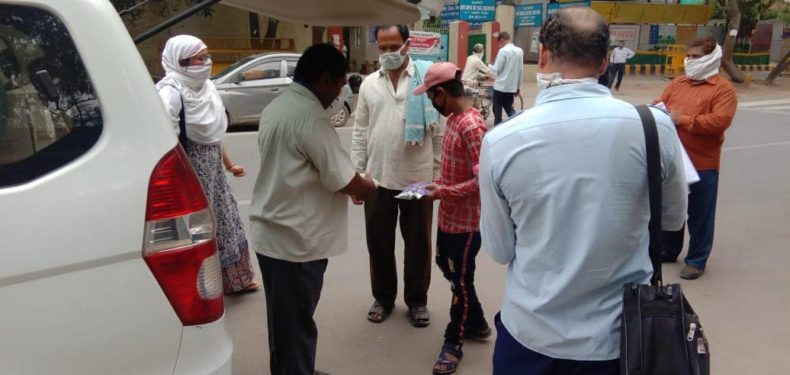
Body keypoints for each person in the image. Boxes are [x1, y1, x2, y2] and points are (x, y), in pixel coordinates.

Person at [478, 8, 688, 374]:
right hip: (622, 340)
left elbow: (499, 249)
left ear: (542, 53)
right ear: (605, 60)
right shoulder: (655, 127)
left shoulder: (501, 141)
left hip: (531, 337)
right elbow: (672, 219)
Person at [249, 43, 377, 375]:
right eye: (338, 85)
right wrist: (369, 186)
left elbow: (302, 170)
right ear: (324, 78)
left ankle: (293, 368)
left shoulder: (277, 107)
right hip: (296, 243)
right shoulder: (311, 119)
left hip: (273, 235)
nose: (338, 94)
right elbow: (347, 179)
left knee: (284, 324)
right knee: (296, 327)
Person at [352, 24, 443, 328]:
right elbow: (360, 131)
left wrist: (439, 174)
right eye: (383, 47)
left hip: (418, 179)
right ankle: (383, 298)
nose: (389, 53)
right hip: (377, 179)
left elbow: (439, 131)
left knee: (417, 243)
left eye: (394, 46)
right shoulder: (369, 85)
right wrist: (358, 175)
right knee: (378, 243)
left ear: (407, 44)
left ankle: (417, 301)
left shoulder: (426, 79)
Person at [155, 34, 259, 295]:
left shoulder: (208, 88)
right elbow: (167, 142)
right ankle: (201, 289)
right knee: (196, 232)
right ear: (180, 61)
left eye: (207, 56)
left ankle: (236, 280)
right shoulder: (171, 93)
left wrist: (230, 164)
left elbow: (213, 136)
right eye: (199, 58)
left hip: (214, 174)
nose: (207, 62)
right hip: (189, 177)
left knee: (226, 222)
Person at [411, 63, 489, 375]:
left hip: (467, 225)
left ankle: (454, 342)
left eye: (431, 98)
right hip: (448, 218)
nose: (430, 104)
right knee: (447, 266)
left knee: (460, 283)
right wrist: (438, 187)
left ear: (441, 93)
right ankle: (478, 321)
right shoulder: (454, 119)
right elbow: (455, 171)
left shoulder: (472, 126)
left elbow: (484, 181)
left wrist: (443, 193)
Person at [654, 36, 737, 280]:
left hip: (702, 162)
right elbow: (660, 104)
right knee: (671, 208)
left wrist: (684, 120)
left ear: (711, 58)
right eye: (688, 56)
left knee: (700, 213)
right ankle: (669, 250)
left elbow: (720, 121)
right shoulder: (678, 84)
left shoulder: (722, 90)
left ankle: (697, 261)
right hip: (673, 160)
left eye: (696, 57)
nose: (690, 61)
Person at [490, 32, 524, 125]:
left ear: (501, 40)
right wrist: (518, 87)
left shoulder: (503, 51)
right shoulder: (520, 51)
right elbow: (521, 70)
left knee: (497, 112)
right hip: (511, 87)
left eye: (499, 43)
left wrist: (490, 66)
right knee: (509, 108)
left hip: (500, 87)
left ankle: (497, 128)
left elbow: (496, 69)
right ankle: (517, 124)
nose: (500, 45)